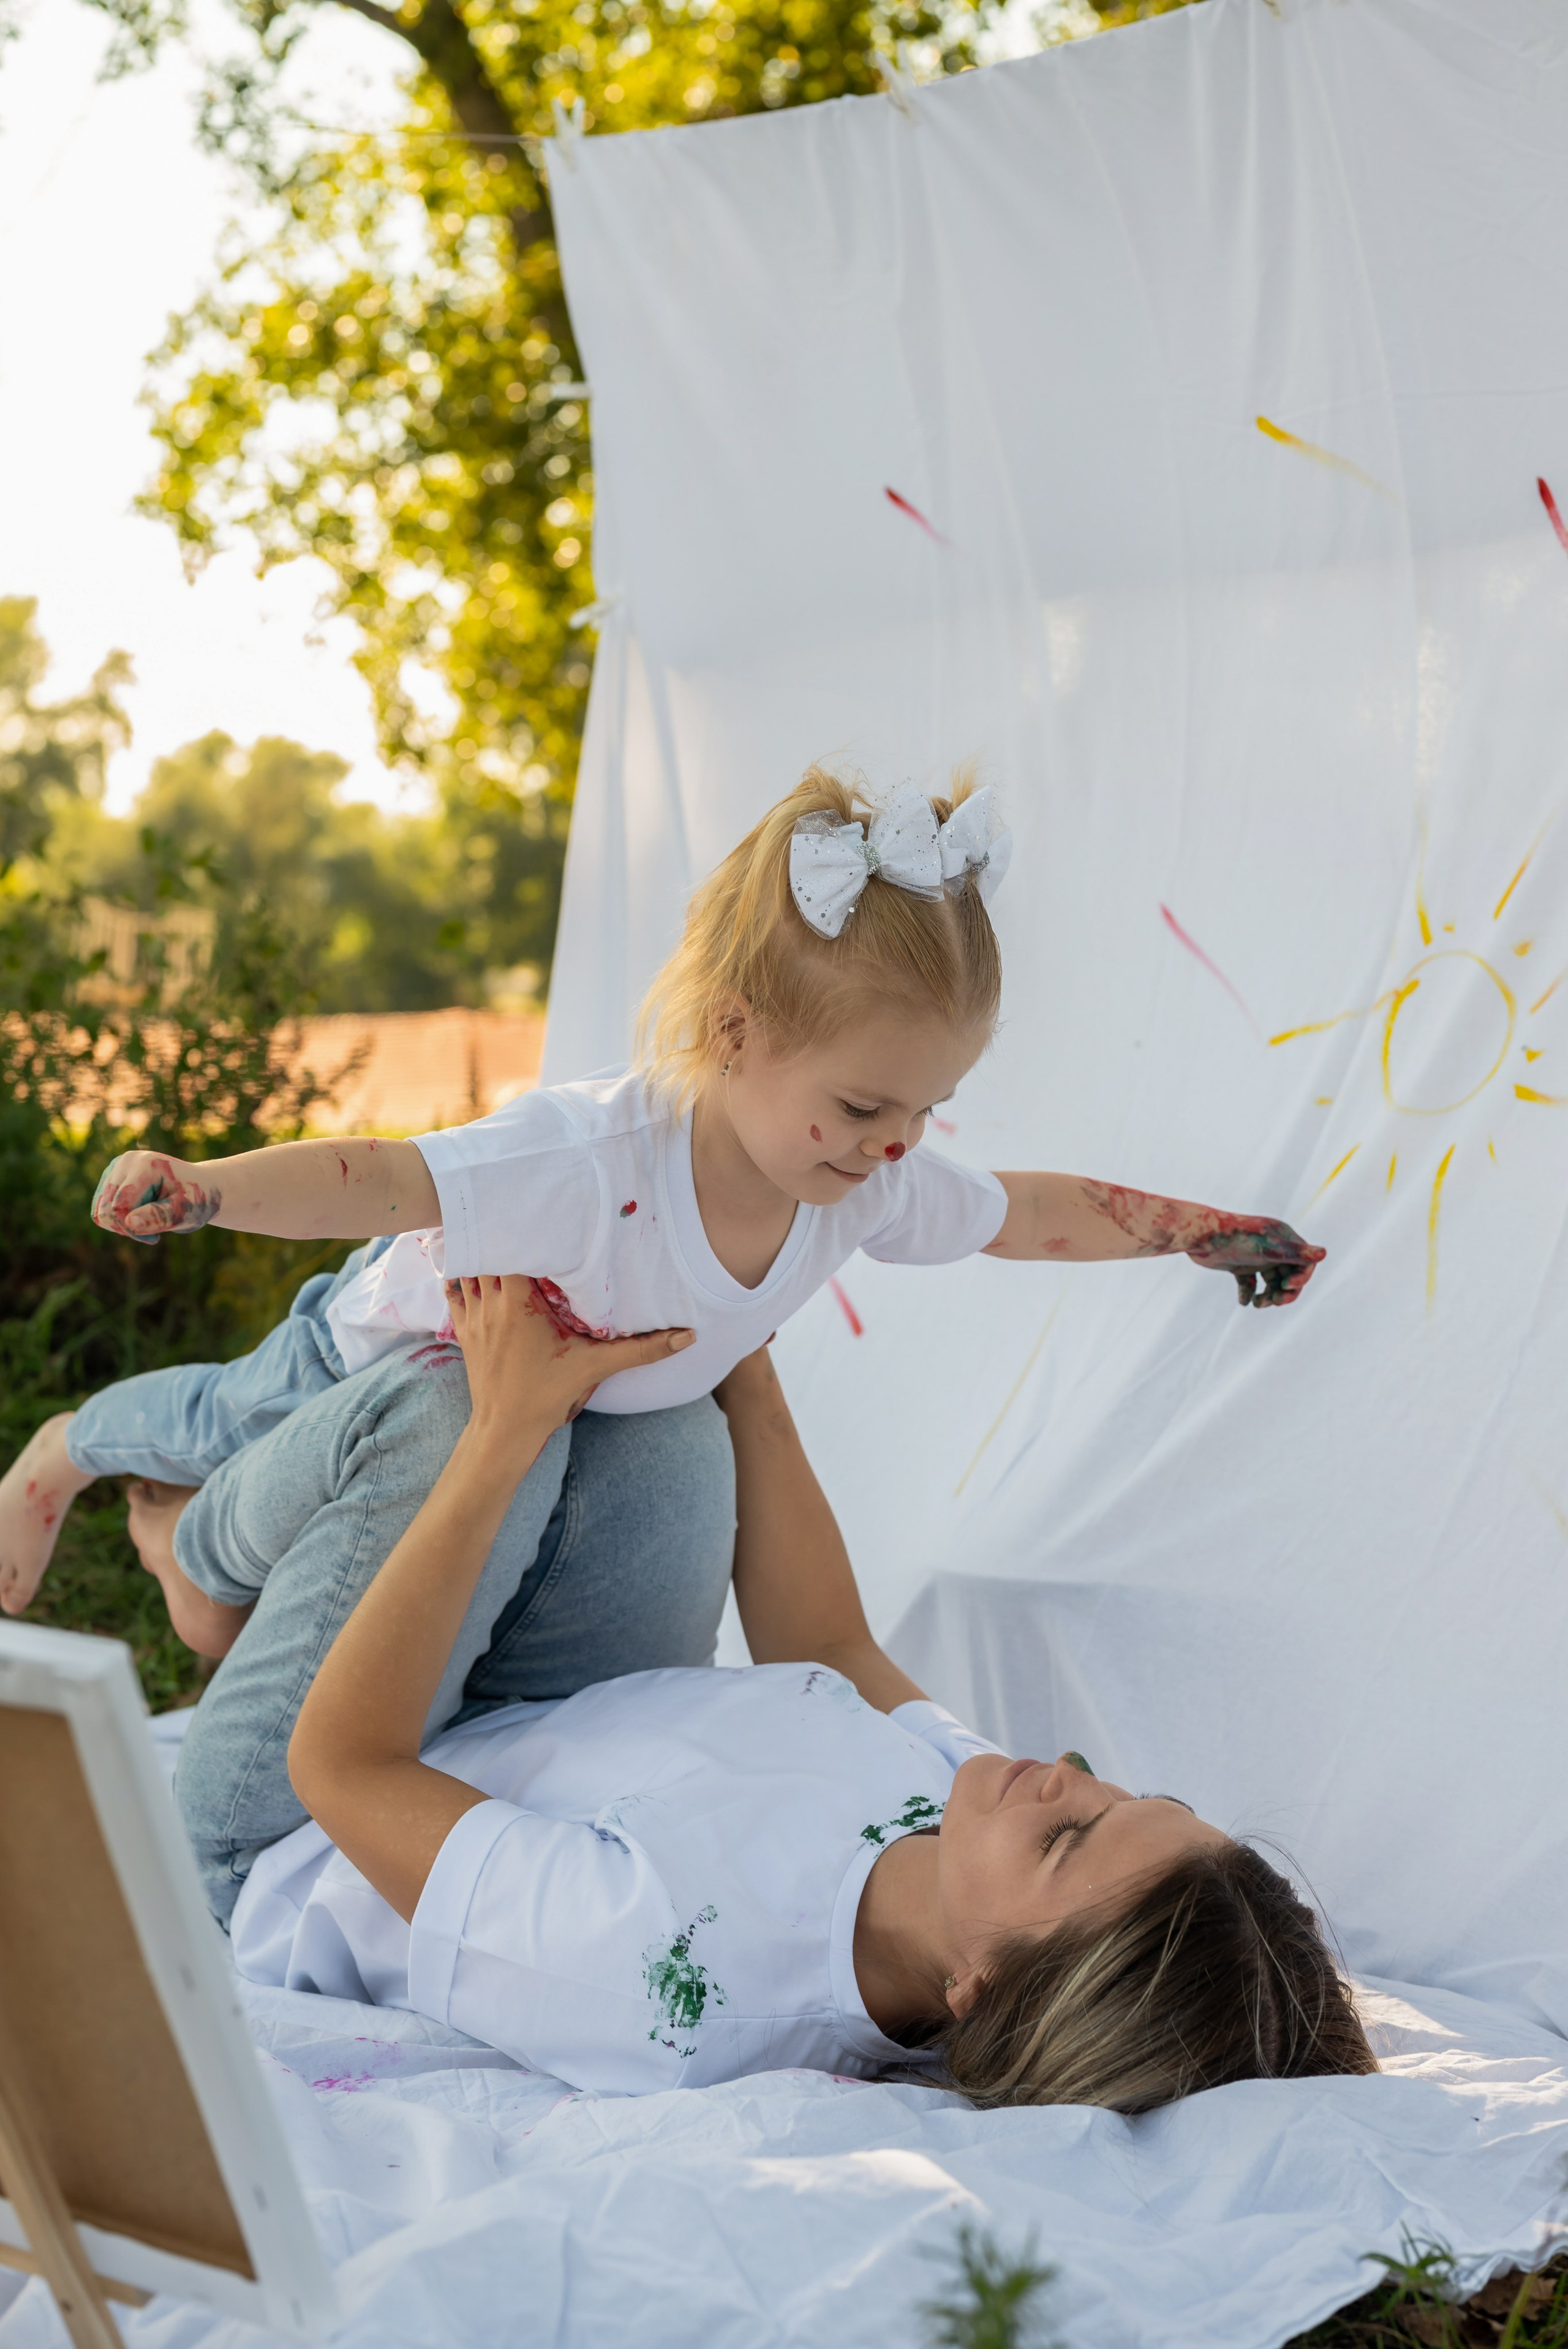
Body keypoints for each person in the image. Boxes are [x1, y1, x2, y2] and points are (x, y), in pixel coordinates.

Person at [1, 767, 1325, 1625]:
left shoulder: (856, 1185)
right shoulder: (585, 1159)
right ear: (736, 1034)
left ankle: (190, 1563)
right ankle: (67, 1453)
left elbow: (1028, 1214)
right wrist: (205, 1190)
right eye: (865, 1106)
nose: (896, 1145)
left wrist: (1199, 1234)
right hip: (384, 1349)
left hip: (543, 1414)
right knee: (227, 1416)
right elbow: (382, 1175)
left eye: (928, 1108)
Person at [155, 1272, 1373, 2111]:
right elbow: (831, 1646)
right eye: (1117, 1795)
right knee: (668, 1421)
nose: (1064, 1775)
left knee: (445, 1409)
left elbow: (345, 1769)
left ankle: (188, 1561)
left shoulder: (668, 1972)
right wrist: (743, 1359)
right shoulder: (967, 1831)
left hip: (290, 1833)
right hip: (511, 1724)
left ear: (975, 1992)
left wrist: (498, 1438)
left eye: (1066, 1838)